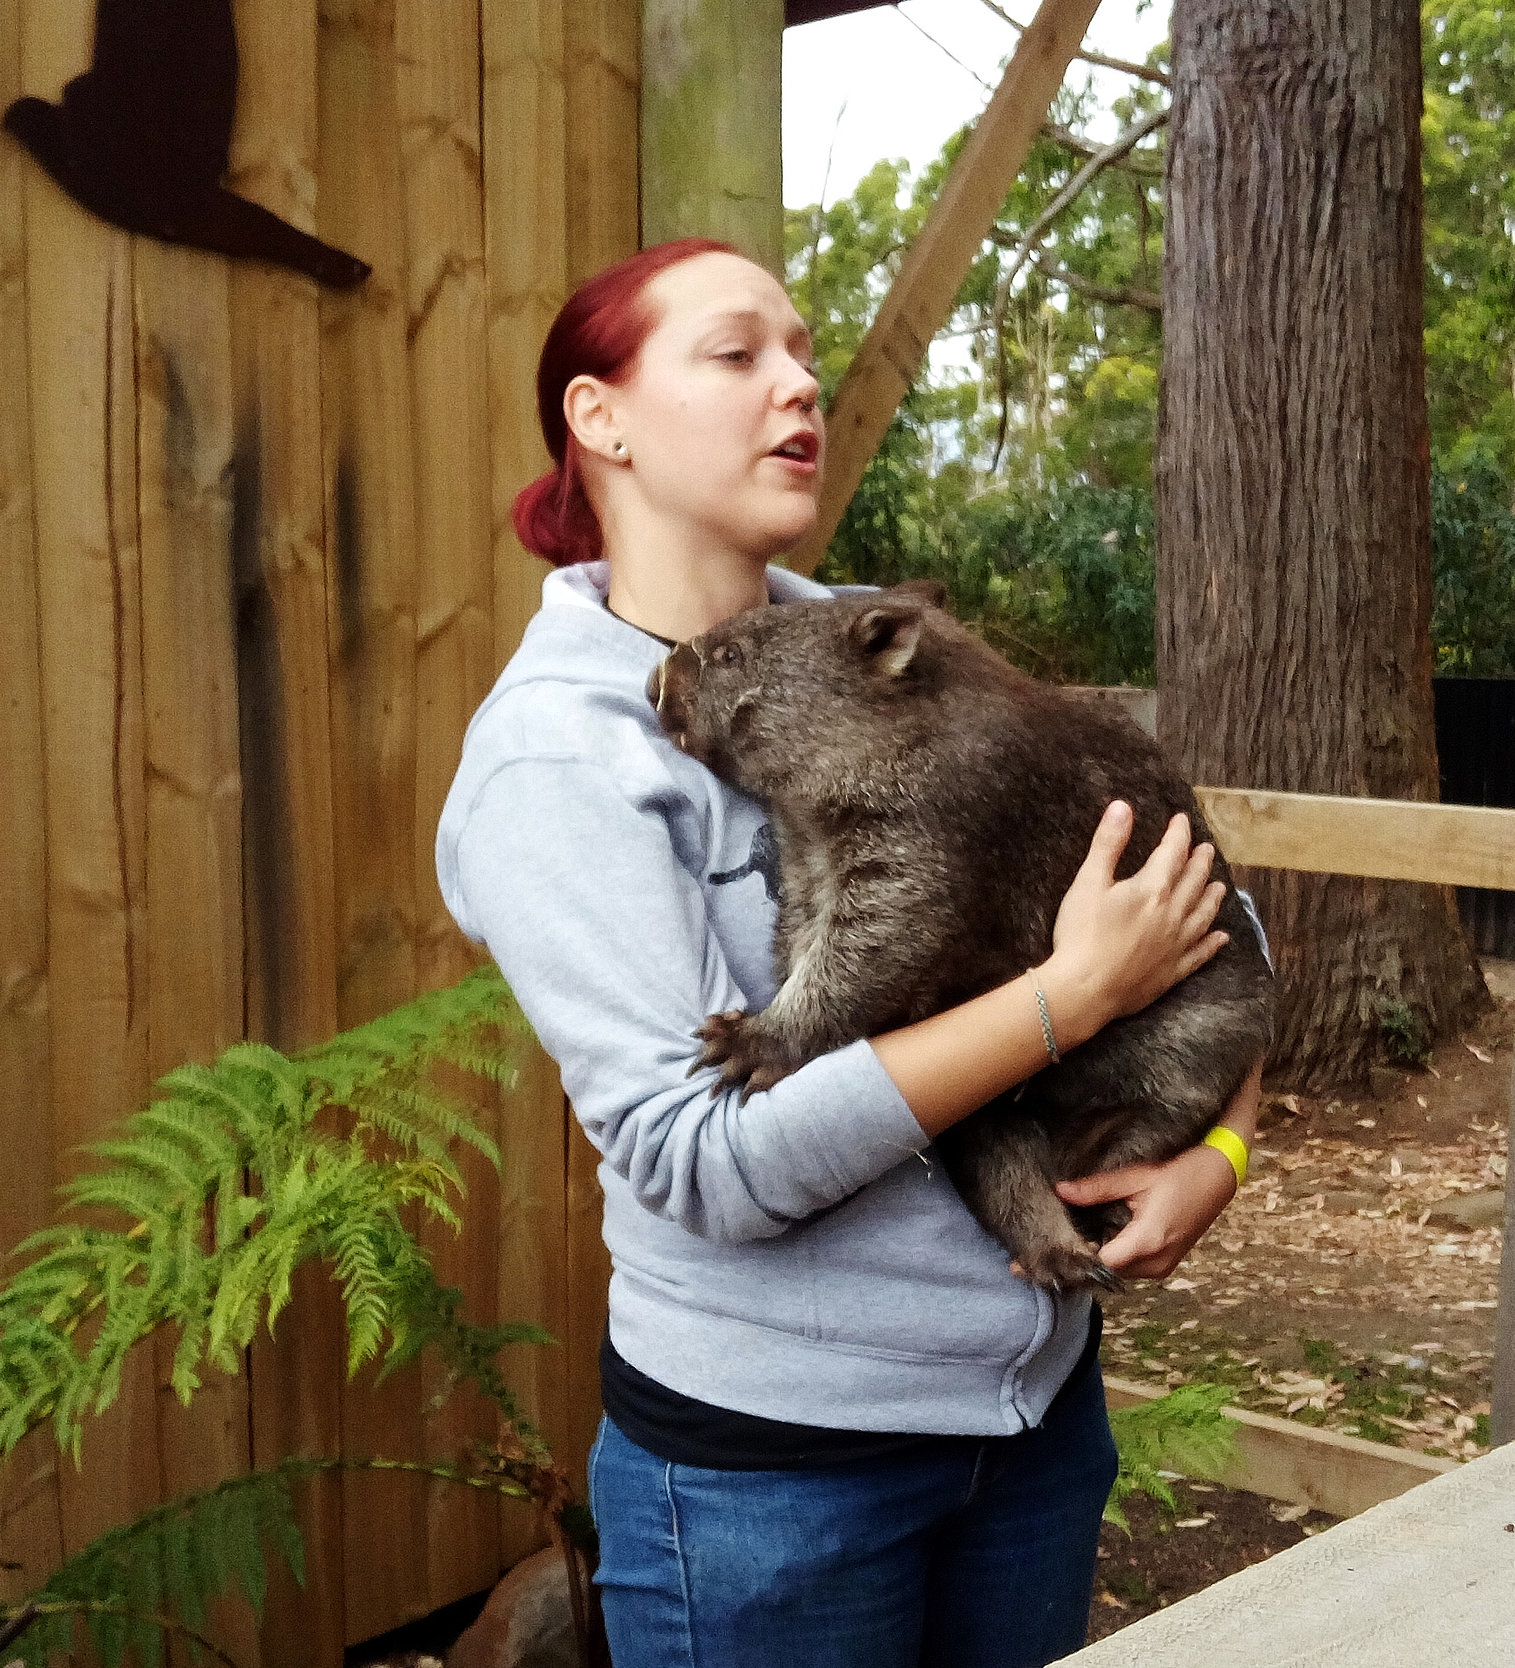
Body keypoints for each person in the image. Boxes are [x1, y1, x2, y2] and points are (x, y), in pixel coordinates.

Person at [435, 237, 1262, 1668]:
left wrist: (1223, 1153)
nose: (800, 382)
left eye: (805, 350)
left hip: (1030, 1423)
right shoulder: (554, 761)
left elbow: (1207, 911)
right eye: (738, 352)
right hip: (779, 1480)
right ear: (601, 417)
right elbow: (708, 1163)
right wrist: (1065, 1003)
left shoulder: (877, 644)